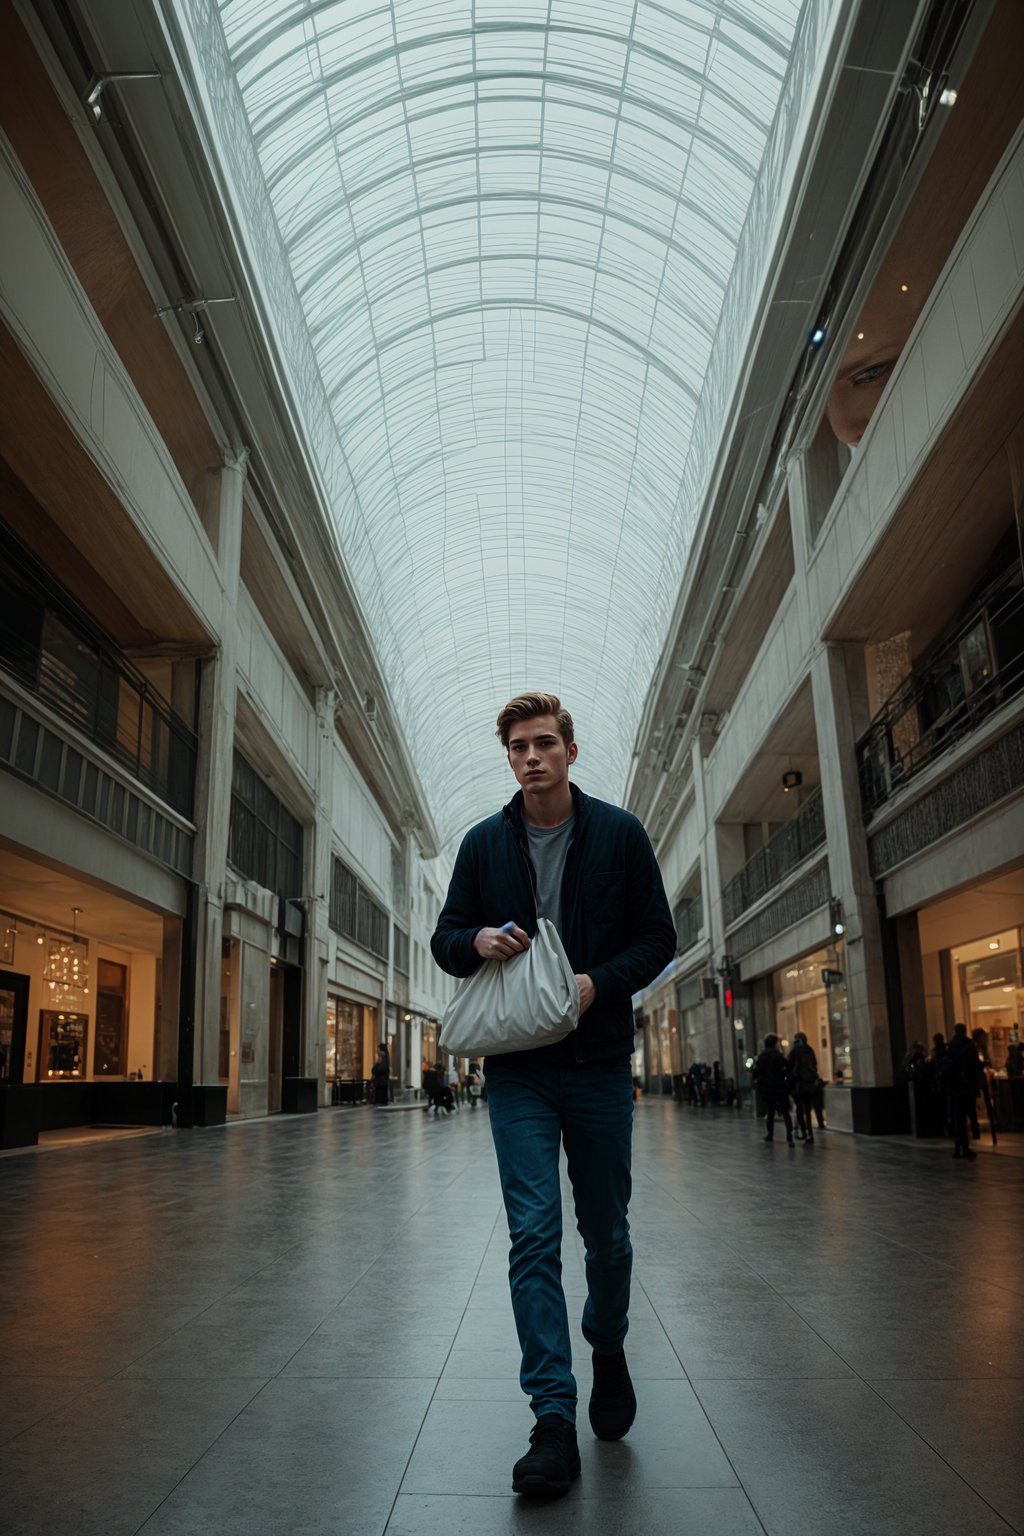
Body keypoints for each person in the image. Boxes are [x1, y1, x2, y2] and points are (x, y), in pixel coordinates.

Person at [431, 692, 675, 1499]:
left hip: (600, 1060)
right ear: (508, 759)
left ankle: (606, 1343)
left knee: (605, 1230)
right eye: (518, 747)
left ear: (572, 751)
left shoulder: (620, 834)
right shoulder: (482, 844)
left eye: (544, 743)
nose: (531, 757)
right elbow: (445, 938)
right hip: (519, 1071)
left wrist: (594, 985)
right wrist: (476, 940)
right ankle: (552, 1418)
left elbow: (657, 938)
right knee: (533, 1234)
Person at [942, 1023, 983, 1160]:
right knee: (969, 1113)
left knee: (958, 1117)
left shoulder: (950, 1046)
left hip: (954, 1087)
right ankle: (967, 1143)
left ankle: (958, 1146)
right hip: (967, 1086)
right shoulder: (968, 1046)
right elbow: (975, 1065)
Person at [754, 1034, 794, 1145]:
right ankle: (789, 1135)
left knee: (770, 1112)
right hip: (780, 1087)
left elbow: (757, 1072)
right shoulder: (778, 1055)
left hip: (768, 1088)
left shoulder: (762, 1056)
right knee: (785, 1112)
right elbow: (788, 1066)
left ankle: (770, 1134)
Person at [788, 1031, 819, 1144]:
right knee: (807, 1108)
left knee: (800, 1110)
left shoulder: (794, 1051)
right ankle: (810, 1133)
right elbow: (814, 1065)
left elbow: (789, 1066)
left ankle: (804, 1132)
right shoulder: (810, 1050)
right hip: (809, 1084)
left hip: (798, 1085)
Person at [371, 1043, 390, 1108]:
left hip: (381, 1083)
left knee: (380, 1103)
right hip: (380, 1083)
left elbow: (377, 1069)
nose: (377, 1051)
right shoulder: (382, 1059)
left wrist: (376, 1067)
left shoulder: (383, 1059)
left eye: (378, 1049)